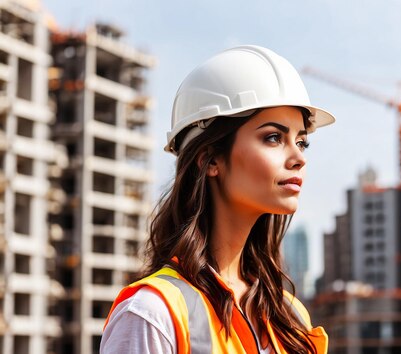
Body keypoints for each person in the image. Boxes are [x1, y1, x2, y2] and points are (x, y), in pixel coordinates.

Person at [100, 45, 335, 353]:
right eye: (274, 138)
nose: (298, 158)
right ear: (209, 159)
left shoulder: (290, 317)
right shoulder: (152, 315)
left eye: (302, 142)